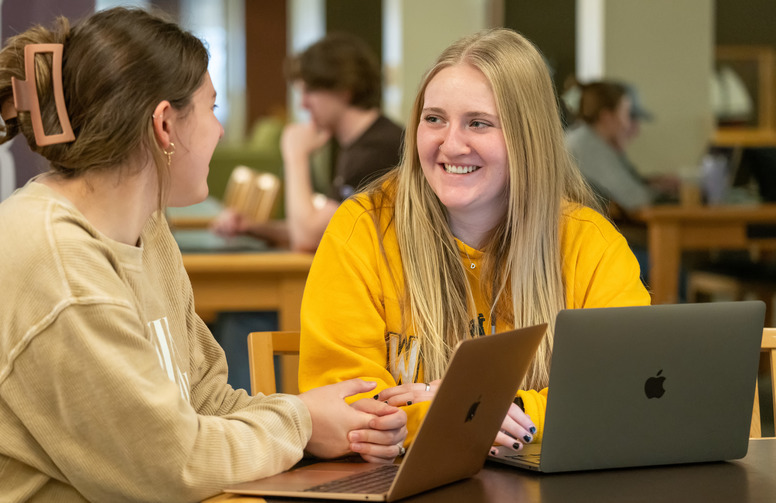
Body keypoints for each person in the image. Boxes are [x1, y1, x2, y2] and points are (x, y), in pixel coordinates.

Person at [0, 8, 406, 502]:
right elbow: (172, 466)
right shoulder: (59, 266)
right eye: (212, 109)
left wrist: (323, 420)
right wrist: (301, 423)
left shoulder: (147, 226)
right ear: (165, 125)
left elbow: (205, 400)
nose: (217, 131)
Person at [297, 28, 651, 453]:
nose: (451, 144)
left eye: (478, 123)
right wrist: (456, 414)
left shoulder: (588, 241)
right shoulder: (361, 228)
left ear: (528, 136)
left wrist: (486, 409)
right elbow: (343, 409)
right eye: (434, 119)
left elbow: (625, 390)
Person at [211, 32, 404, 252]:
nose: (303, 104)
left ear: (344, 89)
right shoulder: (370, 141)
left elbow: (307, 239)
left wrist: (296, 155)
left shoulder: (376, 152)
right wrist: (253, 228)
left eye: (309, 91)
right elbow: (324, 228)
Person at [565, 80, 678, 213]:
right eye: (626, 114)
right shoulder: (586, 144)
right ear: (607, 117)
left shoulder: (587, 139)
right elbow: (635, 198)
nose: (628, 125)